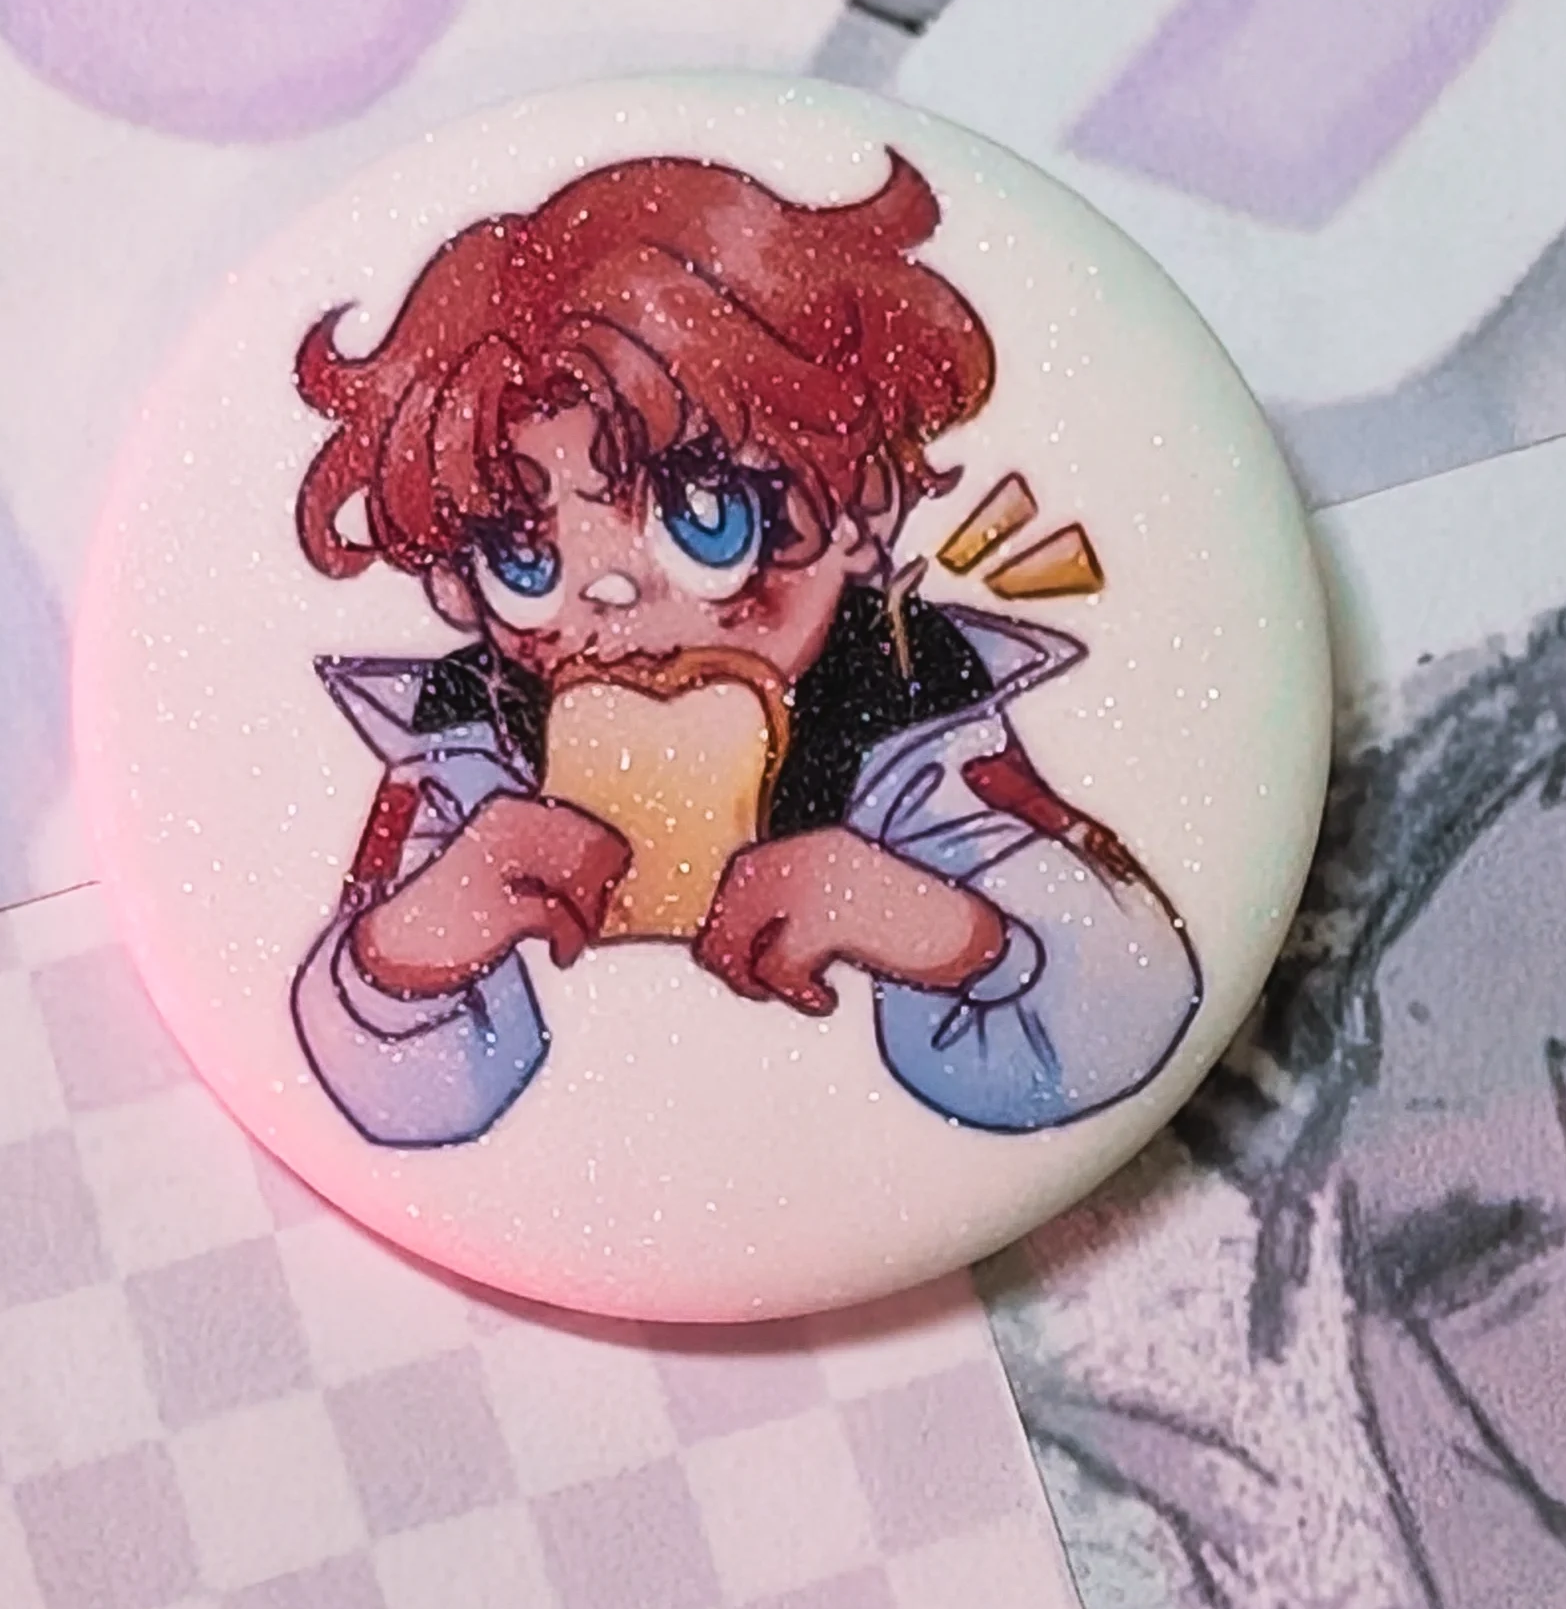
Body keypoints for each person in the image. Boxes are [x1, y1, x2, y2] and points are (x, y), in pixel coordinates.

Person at [287, 149, 1200, 1146]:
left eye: (706, 517)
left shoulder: (909, 701)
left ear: (861, 504)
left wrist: (945, 933)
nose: (611, 591)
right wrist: (399, 957)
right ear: (456, 586)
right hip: (583, 1175)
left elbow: (1117, 1012)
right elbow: (396, 1098)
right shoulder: (465, 741)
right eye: (522, 555)